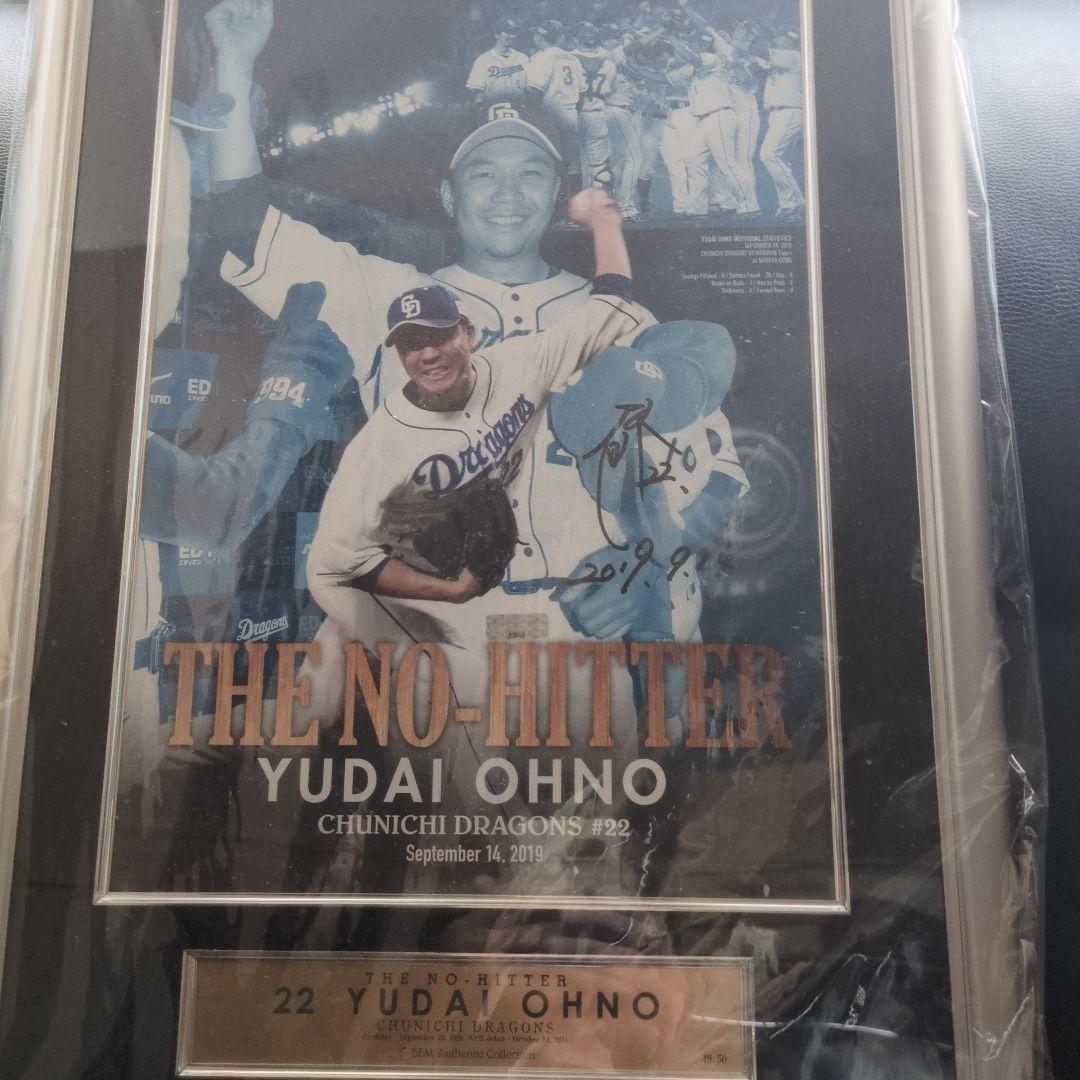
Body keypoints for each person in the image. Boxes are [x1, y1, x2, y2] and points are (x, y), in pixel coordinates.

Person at [307, 188, 653, 738]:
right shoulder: (381, 447)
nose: (427, 353)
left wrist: (604, 220)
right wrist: (450, 593)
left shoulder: (522, 364)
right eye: (410, 343)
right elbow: (336, 564)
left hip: (452, 575)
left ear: (467, 333)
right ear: (399, 353)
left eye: (438, 335)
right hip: (371, 582)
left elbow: (613, 302)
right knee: (454, 689)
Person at [754, 27, 804, 221]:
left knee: (769, 155)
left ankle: (796, 202)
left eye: (782, 37)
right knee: (781, 160)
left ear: (791, 41)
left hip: (789, 111)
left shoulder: (792, 55)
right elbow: (759, 64)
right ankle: (788, 206)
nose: (777, 39)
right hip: (780, 113)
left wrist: (737, 43)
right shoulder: (782, 59)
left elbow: (761, 52)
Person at [465, 19, 528, 103]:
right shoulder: (483, 60)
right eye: (508, 32)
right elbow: (477, 92)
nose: (512, 36)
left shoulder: (523, 58)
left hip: (520, 108)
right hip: (492, 108)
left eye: (514, 32)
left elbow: (530, 87)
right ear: (497, 34)